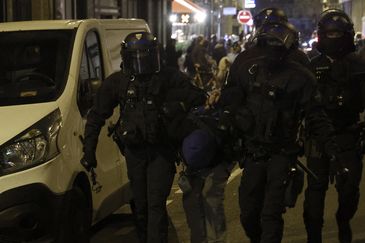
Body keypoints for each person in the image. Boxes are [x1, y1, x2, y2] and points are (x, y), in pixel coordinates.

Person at [217, 7, 340, 243]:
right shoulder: (247, 65)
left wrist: (331, 150)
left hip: (282, 151)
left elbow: (315, 114)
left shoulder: (301, 74)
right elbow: (231, 99)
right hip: (253, 151)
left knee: (271, 213)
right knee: (249, 212)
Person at [80, 31, 206, 243]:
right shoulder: (119, 82)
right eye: (136, 57)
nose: (141, 63)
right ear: (127, 58)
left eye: (145, 56)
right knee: (141, 205)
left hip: (161, 151)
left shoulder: (169, 77)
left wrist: (174, 106)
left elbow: (197, 97)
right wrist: (89, 150)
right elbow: (96, 116)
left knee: (155, 204)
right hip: (135, 152)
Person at [303, 9, 365, 243]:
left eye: (338, 33)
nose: (333, 37)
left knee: (349, 192)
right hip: (317, 139)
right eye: (329, 33)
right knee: (314, 196)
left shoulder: (361, 67)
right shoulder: (310, 67)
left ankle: (343, 220)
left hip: (348, 136)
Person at [172, 106, 238, 243]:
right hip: (198, 160)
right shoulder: (182, 130)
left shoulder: (216, 139)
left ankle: (215, 240)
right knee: (194, 202)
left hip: (217, 159)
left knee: (211, 198)